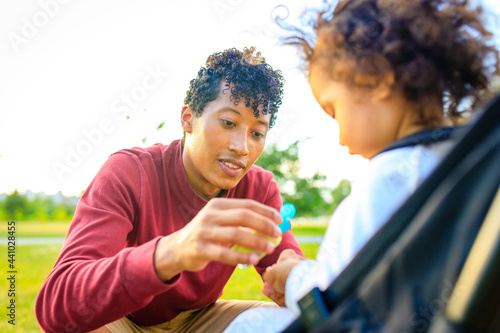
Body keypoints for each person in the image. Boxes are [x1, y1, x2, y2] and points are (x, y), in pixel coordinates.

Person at [224, 0, 500, 331]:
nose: (340, 138)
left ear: (378, 78)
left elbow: (337, 297)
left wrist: (293, 274)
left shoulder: (394, 176)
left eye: (335, 111)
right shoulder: (463, 166)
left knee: (250, 322)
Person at [35, 46, 304, 333]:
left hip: (202, 319)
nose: (242, 147)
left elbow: (292, 272)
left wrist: (294, 277)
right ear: (188, 119)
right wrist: (171, 252)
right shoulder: (128, 172)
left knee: (301, 322)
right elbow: (57, 302)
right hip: (123, 320)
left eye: (257, 133)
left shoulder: (258, 189)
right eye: (228, 122)